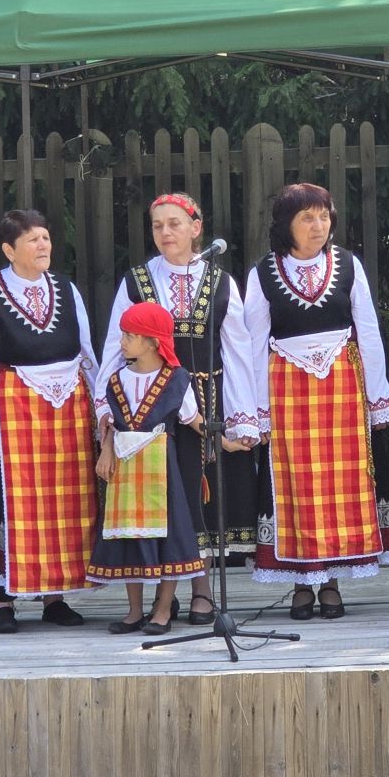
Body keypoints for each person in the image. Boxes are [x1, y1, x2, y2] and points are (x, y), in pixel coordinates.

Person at [97, 192, 261, 626]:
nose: (165, 232)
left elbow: (237, 350)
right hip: (151, 406)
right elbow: (116, 345)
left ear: (196, 228)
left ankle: (202, 590)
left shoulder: (221, 281)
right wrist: (107, 410)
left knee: (199, 496)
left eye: (174, 223)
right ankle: (157, 597)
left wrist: (243, 416)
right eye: (157, 225)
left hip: (206, 400)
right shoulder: (136, 281)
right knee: (163, 498)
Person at [243, 182, 389, 619]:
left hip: (343, 389)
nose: (318, 226)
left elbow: (368, 331)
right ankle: (301, 582)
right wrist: (256, 412)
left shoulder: (348, 265)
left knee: (339, 484)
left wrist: (379, 397)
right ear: (286, 224)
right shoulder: (263, 273)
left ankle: (331, 581)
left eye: (324, 216)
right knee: (295, 483)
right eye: (307, 218)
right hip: (286, 391)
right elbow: (253, 344)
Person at [0, 209, 99, 634]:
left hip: (68, 410)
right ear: (9, 249)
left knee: (63, 502)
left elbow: (86, 351)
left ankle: (56, 595)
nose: (43, 245)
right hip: (11, 409)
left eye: (45, 238)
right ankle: (2, 600)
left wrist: (101, 408)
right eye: (33, 239)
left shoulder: (66, 289)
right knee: (8, 502)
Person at [87, 302, 208, 635]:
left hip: (161, 469)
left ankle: (163, 610)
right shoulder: (117, 380)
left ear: (153, 342)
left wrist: (224, 441)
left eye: (130, 335)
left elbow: (193, 419)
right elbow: (112, 423)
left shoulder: (177, 379)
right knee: (129, 534)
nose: (122, 341)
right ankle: (134, 611)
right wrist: (106, 450)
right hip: (125, 469)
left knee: (167, 537)